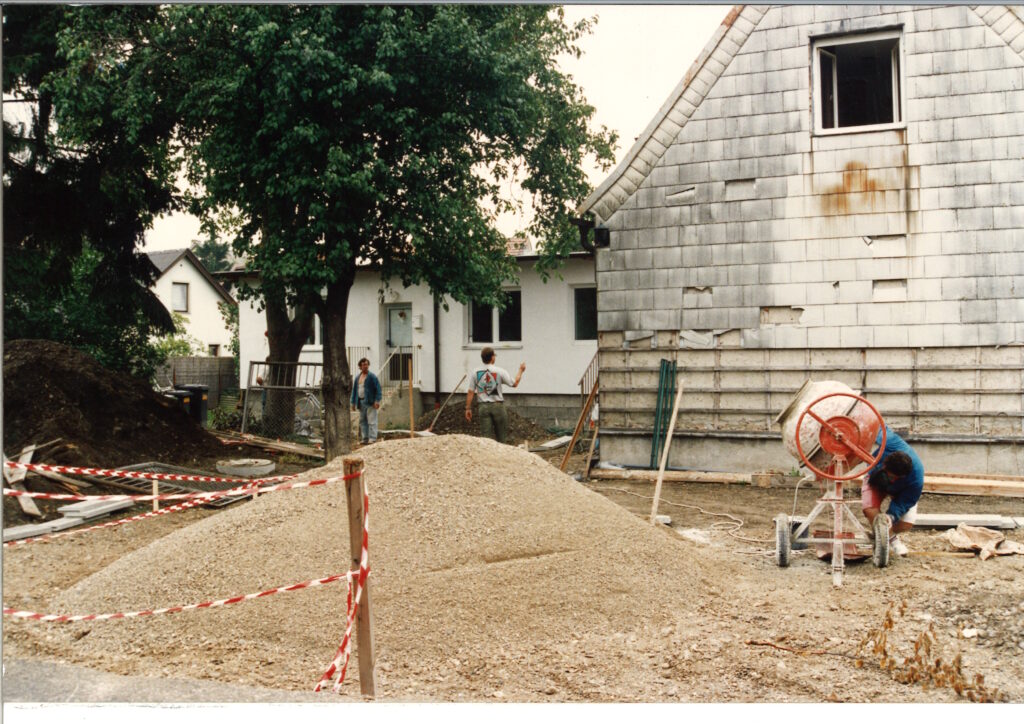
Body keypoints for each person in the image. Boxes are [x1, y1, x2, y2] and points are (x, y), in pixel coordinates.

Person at [862, 425, 924, 556]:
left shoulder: (916, 480)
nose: (893, 479)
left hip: (902, 491)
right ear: (885, 464)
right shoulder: (890, 442)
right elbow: (875, 425)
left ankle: (881, 534)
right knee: (870, 509)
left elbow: (904, 502)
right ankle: (892, 540)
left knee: (906, 524)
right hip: (875, 478)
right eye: (891, 476)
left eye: (897, 478)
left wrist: (891, 516)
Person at [465, 347, 525, 444]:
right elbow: (515, 384)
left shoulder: (475, 372)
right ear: (492, 357)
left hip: (483, 407)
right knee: (502, 438)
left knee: (486, 440)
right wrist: (521, 370)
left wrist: (468, 408)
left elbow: (470, 391)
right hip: (498, 406)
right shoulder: (499, 371)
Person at [350, 358, 382, 444]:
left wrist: (377, 401)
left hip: (370, 402)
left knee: (372, 421)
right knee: (363, 421)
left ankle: (372, 438)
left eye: (367, 364)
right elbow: (354, 391)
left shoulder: (372, 377)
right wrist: (353, 403)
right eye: (364, 365)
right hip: (361, 402)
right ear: (360, 366)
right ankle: (365, 438)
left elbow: (378, 389)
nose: (365, 366)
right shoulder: (357, 378)